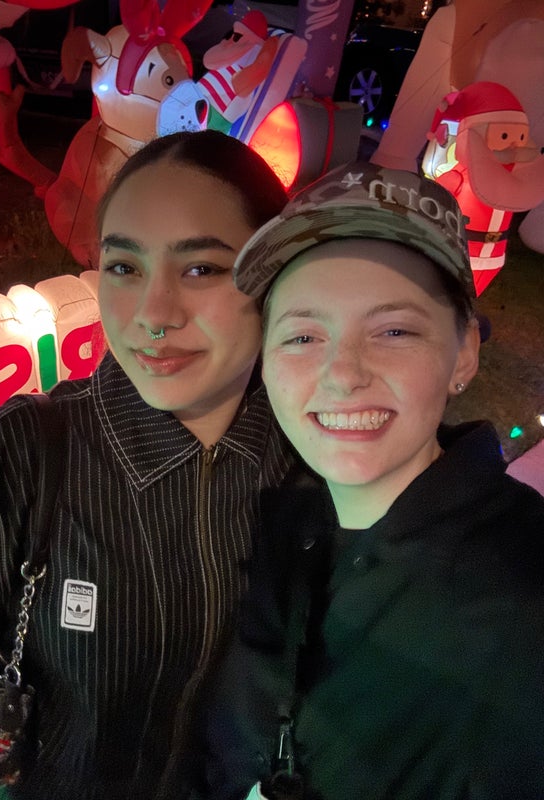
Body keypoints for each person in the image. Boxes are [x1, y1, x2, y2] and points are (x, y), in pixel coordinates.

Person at [0, 130, 299, 800]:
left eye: (201, 269)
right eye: (124, 267)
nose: (153, 315)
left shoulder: (314, 457)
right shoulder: (15, 457)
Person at [200, 161, 544, 800]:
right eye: (303, 335)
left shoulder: (522, 593)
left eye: (393, 330)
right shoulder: (272, 531)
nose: (343, 373)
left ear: (465, 351)